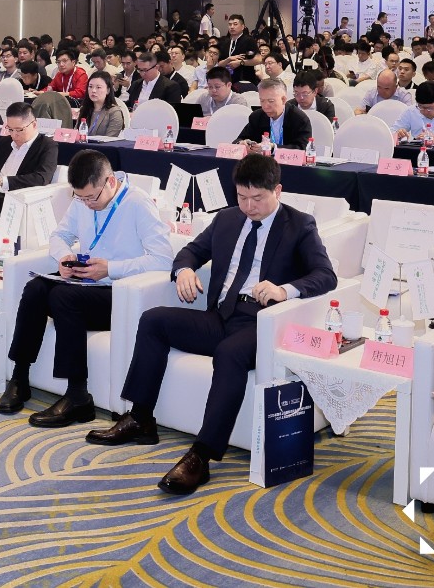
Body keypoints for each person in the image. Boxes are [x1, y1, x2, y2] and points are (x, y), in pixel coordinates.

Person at [86, 154, 337, 493]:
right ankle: (141, 418)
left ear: (277, 190)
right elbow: (189, 252)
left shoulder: (299, 225)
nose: (249, 206)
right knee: (154, 320)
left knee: (230, 353)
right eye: (242, 197)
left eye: (258, 198)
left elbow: (326, 275)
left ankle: (201, 455)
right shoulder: (227, 219)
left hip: (261, 324)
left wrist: (284, 290)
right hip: (221, 316)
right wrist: (184, 270)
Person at [0, 151, 173, 426]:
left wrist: (111, 268)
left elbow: (163, 260)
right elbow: (59, 235)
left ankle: (78, 395)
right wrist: (64, 256)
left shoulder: (138, 204)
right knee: (35, 288)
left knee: (64, 297)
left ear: (110, 182)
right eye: (80, 198)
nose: (87, 204)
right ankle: (20, 377)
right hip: (86, 284)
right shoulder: (82, 201)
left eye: (92, 197)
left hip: (120, 293)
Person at [235, 79, 312, 150]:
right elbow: (238, 140)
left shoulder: (299, 119)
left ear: (283, 100)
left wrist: (273, 148)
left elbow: (302, 148)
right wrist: (242, 143)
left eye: (271, 101)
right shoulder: (257, 117)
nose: (265, 106)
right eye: (262, 101)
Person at [76, 72, 128, 138]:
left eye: (98, 87)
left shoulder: (114, 112)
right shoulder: (84, 109)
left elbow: (110, 140)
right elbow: (76, 135)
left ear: (108, 90)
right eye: (90, 86)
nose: (93, 90)